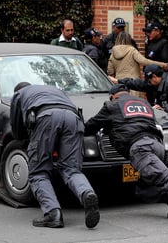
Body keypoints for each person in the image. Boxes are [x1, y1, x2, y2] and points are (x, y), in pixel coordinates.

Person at [84, 84, 168, 228]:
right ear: (128, 93)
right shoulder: (143, 103)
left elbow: (91, 126)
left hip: (141, 149)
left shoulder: (111, 106)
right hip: (157, 146)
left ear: (112, 96)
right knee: (144, 189)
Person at [10, 82, 100, 229]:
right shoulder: (54, 90)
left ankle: (53, 214)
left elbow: (17, 128)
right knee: (71, 169)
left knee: (38, 172)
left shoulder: (19, 94)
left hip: (46, 118)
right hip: (73, 118)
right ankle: (86, 193)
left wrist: (28, 142)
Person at [107, 31, 168, 97]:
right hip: (133, 84)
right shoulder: (132, 50)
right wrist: (162, 65)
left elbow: (110, 71)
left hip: (119, 84)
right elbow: (144, 61)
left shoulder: (113, 53)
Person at [143, 21, 168, 105]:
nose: (147, 34)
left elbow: (166, 66)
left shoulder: (164, 44)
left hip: (158, 83)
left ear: (157, 31)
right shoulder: (151, 43)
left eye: (150, 31)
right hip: (150, 81)